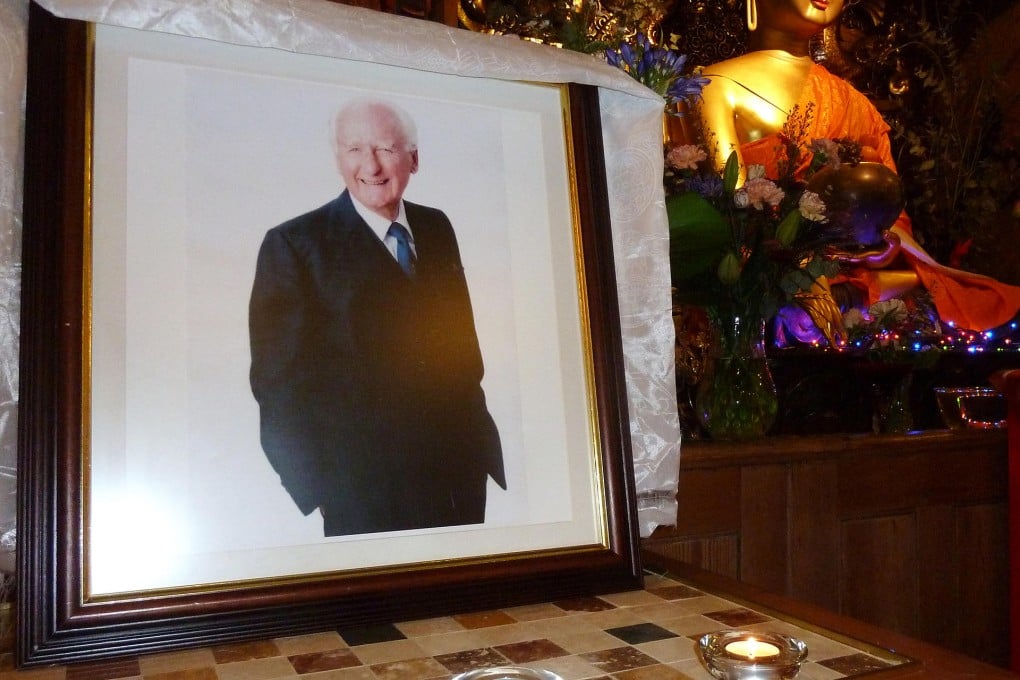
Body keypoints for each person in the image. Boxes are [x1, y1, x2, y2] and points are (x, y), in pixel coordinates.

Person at [249, 99, 506, 537]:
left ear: (414, 158)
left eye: (386, 148)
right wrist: (319, 489)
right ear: (337, 159)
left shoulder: (436, 227)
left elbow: (461, 346)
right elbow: (276, 384)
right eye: (353, 149)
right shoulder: (293, 245)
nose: (370, 165)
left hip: (457, 475)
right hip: (362, 489)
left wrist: (477, 453)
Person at [697, 0, 1020, 341]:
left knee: (977, 298)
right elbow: (735, 205)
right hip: (763, 266)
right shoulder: (716, 85)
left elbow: (892, 219)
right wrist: (797, 266)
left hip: (851, 271)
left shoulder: (852, 103)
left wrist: (880, 244)